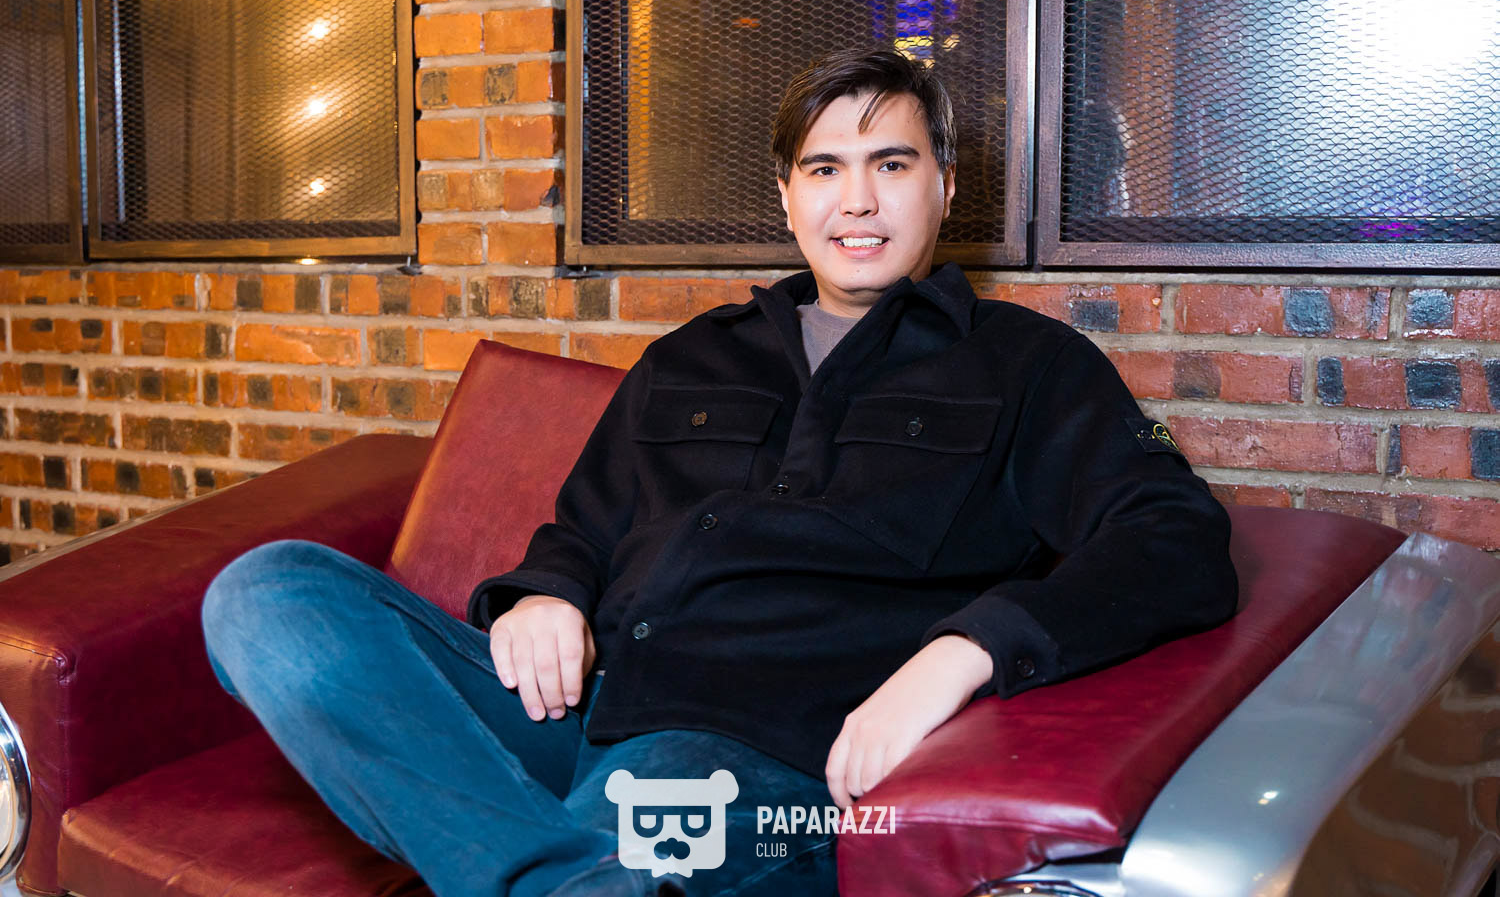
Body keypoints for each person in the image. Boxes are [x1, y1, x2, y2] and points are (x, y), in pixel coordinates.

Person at [200, 48, 1237, 897]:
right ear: (787, 197)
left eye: (891, 163)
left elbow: (1175, 539)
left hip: (759, 752)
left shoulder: (1028, 365)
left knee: (645, 809)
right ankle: (572, 878)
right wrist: (547, 593)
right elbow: (586, 527)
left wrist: (961, 653)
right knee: (267, 594)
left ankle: (548, 863)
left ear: (945, 184)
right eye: (824, 170)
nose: (857, 201)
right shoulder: (692, 358)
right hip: (582, 708)